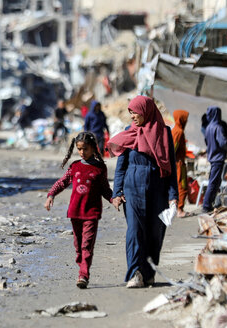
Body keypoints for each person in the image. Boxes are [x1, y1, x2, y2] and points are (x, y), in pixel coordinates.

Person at [108, 95, 177, 288]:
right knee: (135, 232)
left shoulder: (164, 133)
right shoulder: (129, 133)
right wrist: (117, 192)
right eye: (130, 112)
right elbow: (121, 166)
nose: (132, 116)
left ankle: (149, 273)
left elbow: (171, 167)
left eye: (135, 111)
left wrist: (173, 197)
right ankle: (135, 273)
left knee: (156, 233)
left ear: (146, 111)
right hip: (132, 188)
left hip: (159, 190)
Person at [44, 132, 113, 289]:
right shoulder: (74, 166)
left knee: (86, 246)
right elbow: (63, 182)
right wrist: (51, 195)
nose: (82, 152)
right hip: (75, 212)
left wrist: (113, 199)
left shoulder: (100, 168)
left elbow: (105, 189)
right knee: (78, 247)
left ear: (93, 148)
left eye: (85, 149)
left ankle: (83, 275)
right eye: (79, 149)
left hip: (91, 213)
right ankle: (81, 264)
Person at [202, 106, 227, 213]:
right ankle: (206, 205)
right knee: (213, 182)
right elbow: (223, 142)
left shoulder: (208, 127)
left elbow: (206, 141)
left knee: (215, 181)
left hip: (212, 157)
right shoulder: (218, 127)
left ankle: (209, 203)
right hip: (218, 158)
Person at [172, 109, 190, 218]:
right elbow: (173, 149)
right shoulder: (178, 132)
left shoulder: (175, 130)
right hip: (178, 164)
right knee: (181, 186)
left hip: (178, 162)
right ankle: (180, 209)